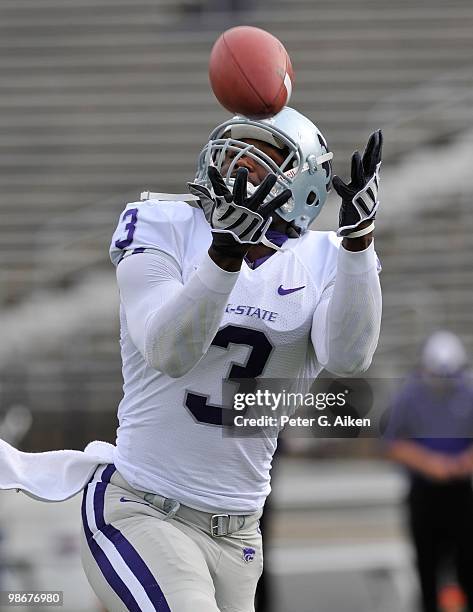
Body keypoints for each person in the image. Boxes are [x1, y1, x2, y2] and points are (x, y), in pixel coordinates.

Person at [80, 106, 383, 611]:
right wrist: (224, 255)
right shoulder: (165, 225)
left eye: (266, 158)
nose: (241, 169)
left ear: (307, 185)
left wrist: (358, 246)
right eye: (235, 152)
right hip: (143, 509)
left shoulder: (329, 256)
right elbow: (167, 351)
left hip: (240, 533)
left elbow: (350, 358)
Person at [384, 331, 473, 612]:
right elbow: (393, 442)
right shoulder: (410, 394)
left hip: (460, 491)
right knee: (427, 566)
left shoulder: (467, 390)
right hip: (424, 492)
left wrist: (462, 463)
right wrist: (429, 463)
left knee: (467, 564)